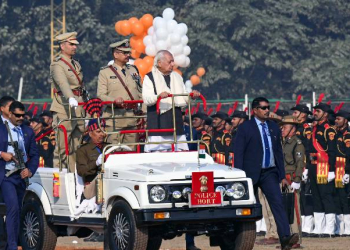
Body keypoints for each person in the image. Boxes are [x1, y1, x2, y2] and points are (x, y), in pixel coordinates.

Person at [233, 97, 299, 250]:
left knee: (278, 203)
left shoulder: (273, 127)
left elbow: (278, 153)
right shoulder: (245, 128)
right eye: (263, 108)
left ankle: (285, 238)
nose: (267, 110)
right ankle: (238, 237)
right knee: (248, 207)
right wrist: (239, 175)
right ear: (254, 110)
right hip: (249, 173)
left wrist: (282, 176)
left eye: (268, 107)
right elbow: (239, 153)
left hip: (270, 172)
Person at [142, 50, 200, 152]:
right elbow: (147, 99)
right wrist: (158, 96)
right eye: (170, 61)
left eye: (173, 61)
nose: (173, 64)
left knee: (179, 153)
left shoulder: (177, 77)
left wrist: (192, 96)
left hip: (175, 121)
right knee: (157, 155)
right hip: (158, 122)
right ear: (159, 63)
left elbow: (183, 96)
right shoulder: (149, 77)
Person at [0, 101, 39, 250]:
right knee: (13, 208)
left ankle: (13, 243)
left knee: (18, 211)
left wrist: (29, 170)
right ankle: (11, 246)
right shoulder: (1, 129)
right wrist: (2, 154)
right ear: (9, 114)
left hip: (21, 177)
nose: (20, 118)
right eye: (17, 115)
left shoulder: (28, 131)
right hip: (6, 176)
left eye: (22, 115)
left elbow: (34, 154)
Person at [97, 39, 144, 147]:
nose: (128, 55)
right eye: (125, 52)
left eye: (129, 52)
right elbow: (101, 95)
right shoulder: (105, 72)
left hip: (132, 118)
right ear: (115, 54)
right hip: (114, 119)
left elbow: (141, 92)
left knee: (131, 153)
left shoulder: (133, 70)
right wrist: (114, 101)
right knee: (113, 152)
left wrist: (143, 113)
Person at [50, 31, 85, 172]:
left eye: (75, 44)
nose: (74, 47)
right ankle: (58, 180)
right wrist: (70, 97)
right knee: (62, 147)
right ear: (62, 46)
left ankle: (73, 177)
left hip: (78, 106)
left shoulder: (76, 64)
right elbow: (63, 83)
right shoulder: (57, 65)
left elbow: (80, 85)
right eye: (71, 44)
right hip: (64, 107)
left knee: (77, 146)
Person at [302, 102, 337, 237]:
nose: (315, 113)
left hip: (324, 167)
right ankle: (319, 228)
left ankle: (329, 229)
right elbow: (309, 149)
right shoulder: (314, 128)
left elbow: (332, 151)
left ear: (325, 114)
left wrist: (332, 170)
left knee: (326, 196)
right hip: (312, 166)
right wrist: (307, 168)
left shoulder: (329, 130)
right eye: (315, 111)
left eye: (318, 111)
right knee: (316, 196)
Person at [76, 119, 108, 242]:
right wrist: (96, 163)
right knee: (102, 179)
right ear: (90, 133)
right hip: (91, 187)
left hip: (109, 180)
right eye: (98, 131)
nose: (102, 134)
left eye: (103, 131)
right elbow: (82, 171)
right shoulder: (83, 150)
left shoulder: (109, 146)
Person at [280, 115, 305, 248]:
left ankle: (297, 239)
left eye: (285, 127)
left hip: (292, 179)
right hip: (284, 179)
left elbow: (300, 163)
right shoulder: (285, 142)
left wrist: (297, 179)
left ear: (293, 129)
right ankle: (289, 238)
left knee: (294, 209)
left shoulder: (297, 143)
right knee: (285, 209)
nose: (282, 129)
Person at [291, 104, 314, 236]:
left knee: (306, 196)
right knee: (298, 197)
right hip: (296, 165)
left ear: (303, 114)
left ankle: (308, 226)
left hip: (304, 166)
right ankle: (300, 225)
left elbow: (308, 148)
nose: (294, 114)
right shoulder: (296, 127)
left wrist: (306, 168)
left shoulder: (306, 129)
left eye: (296, 112)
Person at [333, 110, 350, 236]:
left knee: (346, 199)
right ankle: (340, 228)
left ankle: (348, 228)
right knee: (338, 197)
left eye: (338, 118)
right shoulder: (337, 133)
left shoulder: (348, 135)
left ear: (345, 120)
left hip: (345, 169)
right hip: (338, 168)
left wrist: (348, 172)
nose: (336, 121)